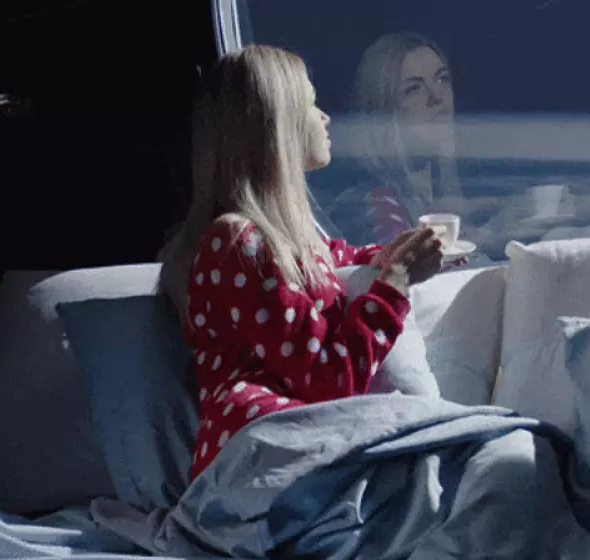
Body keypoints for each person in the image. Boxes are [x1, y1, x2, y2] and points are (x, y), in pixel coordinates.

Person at [157, 45, 444, 480]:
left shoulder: (292, 244)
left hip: (305, 445)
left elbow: (342, 258)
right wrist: (396, 281)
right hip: (266, 456)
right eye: (311, 104)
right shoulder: (237, 242)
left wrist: (387, 255)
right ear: (278, 126)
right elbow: (329, 380)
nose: (325, 117)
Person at [330, 32, 463, 245]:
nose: (436, 96)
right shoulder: (377, 206)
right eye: (414, 89)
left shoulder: (432, 194)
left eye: (442, 79)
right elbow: (406, 262)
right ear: (384, 109)